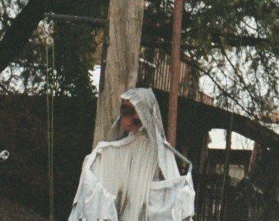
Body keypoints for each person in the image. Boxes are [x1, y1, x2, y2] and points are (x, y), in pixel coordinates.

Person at [68, 88, 196, 221]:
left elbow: (172, 198)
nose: (127, 119)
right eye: (124, 112)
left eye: (132, 112)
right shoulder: (115, 151)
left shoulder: (162, 154)